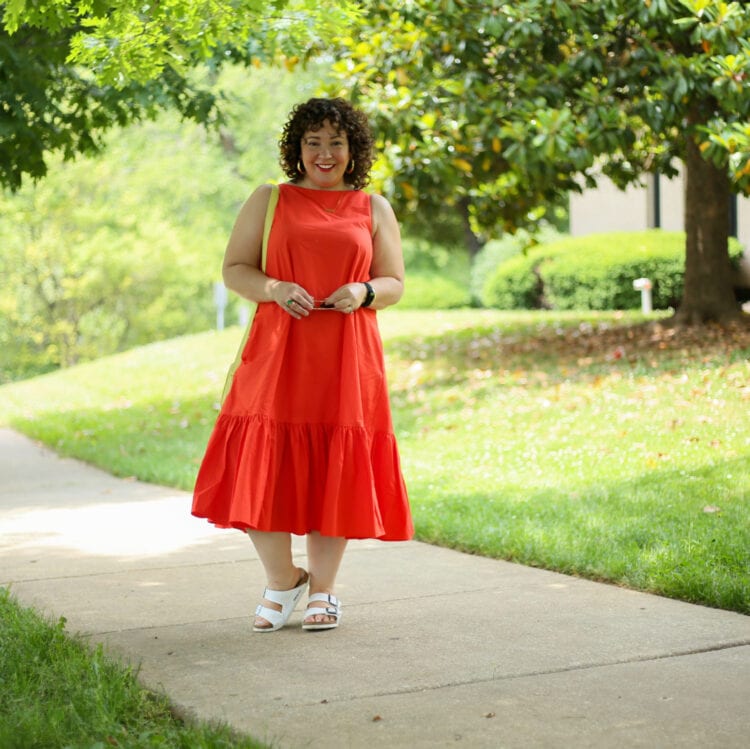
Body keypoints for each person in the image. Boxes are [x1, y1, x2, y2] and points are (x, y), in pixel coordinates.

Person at [192, 97, 413, 632]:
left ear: (352, 149)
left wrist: (362, 291)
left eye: (336, 142)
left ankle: (325, 590)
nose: (324, 152)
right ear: (296, 148)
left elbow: (394, 283)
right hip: (276, 355)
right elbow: (234, 269)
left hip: (345, 358)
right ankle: (283, 579)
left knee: (331, 469)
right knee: (257, 467)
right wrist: (273, 286)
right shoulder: (269, 200)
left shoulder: (373, 207)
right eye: (313, 141)